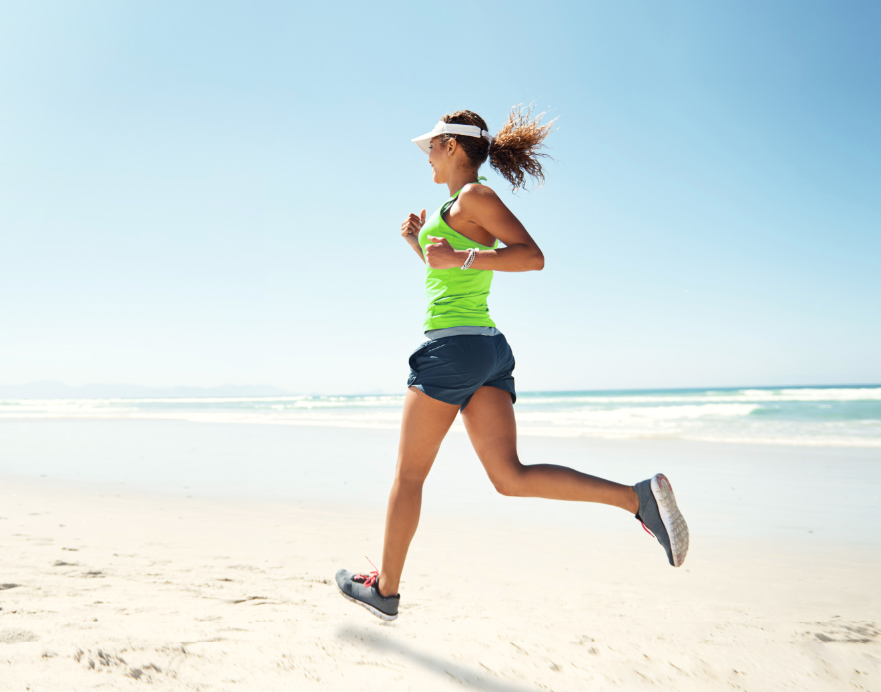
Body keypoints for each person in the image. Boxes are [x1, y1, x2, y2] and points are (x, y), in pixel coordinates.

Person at [335, 107, 689, 621]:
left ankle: (384, 590)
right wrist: (418, 244)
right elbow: (450, 277)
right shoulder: (452, 207)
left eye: (431, 146)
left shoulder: (476, 196)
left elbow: (531, 255)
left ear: (453, 147)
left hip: (453, 351)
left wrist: (463, 258)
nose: (426, 157)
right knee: (509, 476)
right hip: (484, 351)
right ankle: (638, 500)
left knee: (408, 477)